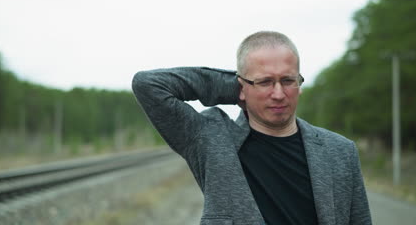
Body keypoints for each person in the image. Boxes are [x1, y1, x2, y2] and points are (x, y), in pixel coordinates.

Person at [132, 31, 372, 225]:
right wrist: (232, 86)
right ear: (242, 87)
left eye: (288, 80)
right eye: (265, 81)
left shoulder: (340, 152)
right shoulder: (210, 140)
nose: (278, 94)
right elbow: (148, 85)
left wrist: (254, 85)